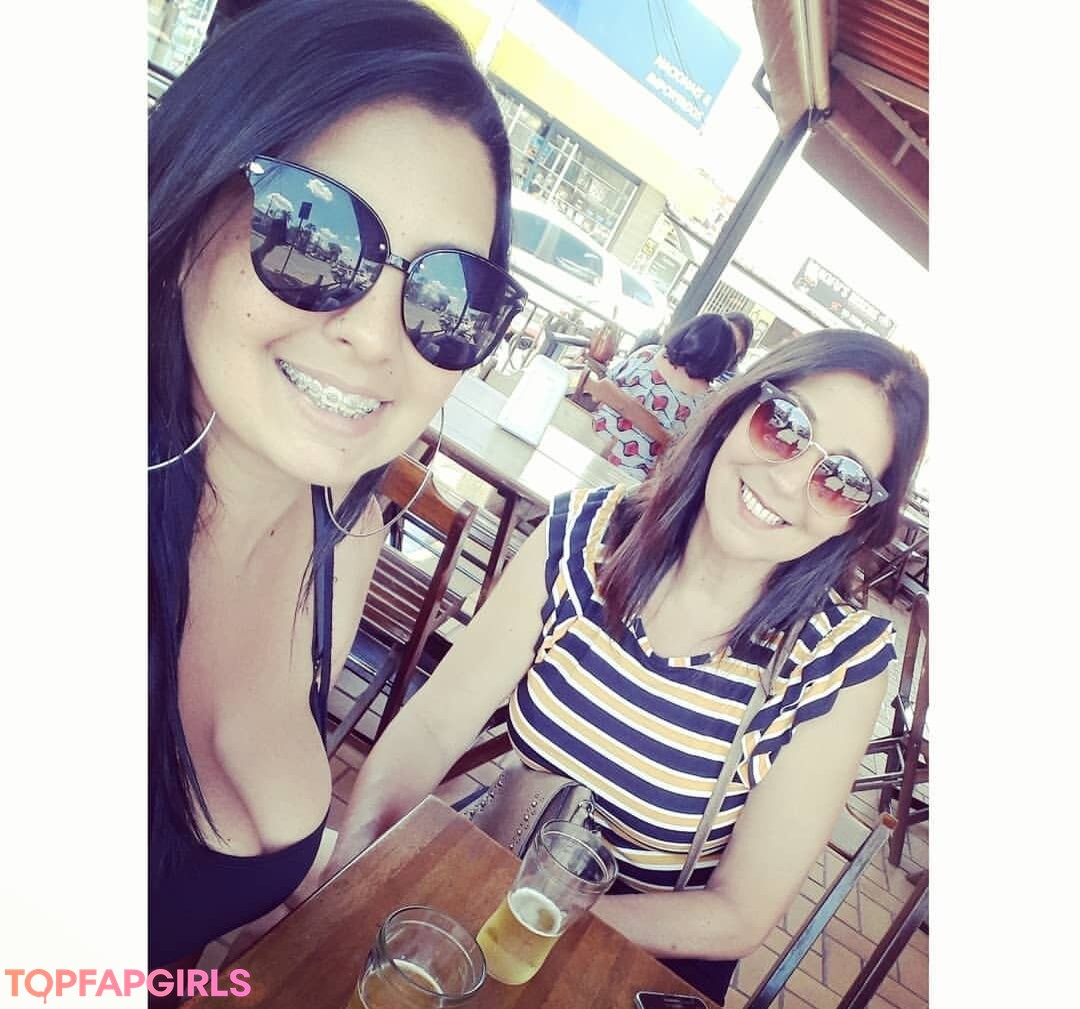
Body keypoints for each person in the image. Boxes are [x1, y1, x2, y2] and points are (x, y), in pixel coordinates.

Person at [327, 329, 928, 1005]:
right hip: (498, 865)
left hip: (629, 958)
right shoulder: (584, 537)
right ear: (738, 409)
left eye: (842, 481)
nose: (790, 480)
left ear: (858, 521)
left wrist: (531, 913)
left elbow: (739, 912)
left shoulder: (835, 665)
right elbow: (435, 726)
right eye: (784, 425)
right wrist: (358, 867)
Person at [148, 0, 525, 971]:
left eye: (448, 294)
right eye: (315, 230)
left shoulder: (346, 534)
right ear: (190, 201)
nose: (375, 333)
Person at [593, 313, 737, 477]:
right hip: (633, 479)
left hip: (590, 441)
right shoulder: (707, 403)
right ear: (722, 360)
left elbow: (599, 393)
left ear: (686, 334)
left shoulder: (647, 355)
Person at [717, 310, 755, 382]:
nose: (723, 346)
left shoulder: (736, 383)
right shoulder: (695, 356)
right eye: (722, 337)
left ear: (742, 350)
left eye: (733, 345)